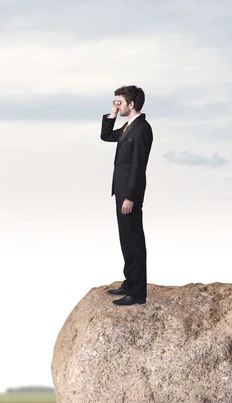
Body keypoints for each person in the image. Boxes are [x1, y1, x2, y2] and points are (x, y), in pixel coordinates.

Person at [100, 85, 153, 306]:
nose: (117, 105)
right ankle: (129, 282)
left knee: (134, 240)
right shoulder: (128, 126)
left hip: (129, 194)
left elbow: (139, 166)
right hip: (121, 191)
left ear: (131, 104)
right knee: (126, 238)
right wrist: (111, 115)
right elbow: (105, 136)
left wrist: (131, 197)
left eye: (120, 102)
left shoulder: (142, 128)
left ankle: (138, 292)